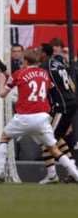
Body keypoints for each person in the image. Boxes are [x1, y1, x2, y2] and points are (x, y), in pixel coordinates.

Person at [0, 49, 78, 183]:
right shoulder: (45, 74)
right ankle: (74, 173)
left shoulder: (19, 73)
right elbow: (48, 89)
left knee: (4, 138)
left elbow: (2, 94)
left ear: (25, 61)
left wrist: (0, 81)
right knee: (54, 149)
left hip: (23, 117)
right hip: (42, 117)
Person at [38, 44, 77, 184]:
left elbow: (44, 88)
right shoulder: (59, 63)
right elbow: (72, 85)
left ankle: (52, 175)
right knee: (58, 138)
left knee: (45, 138)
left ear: (43, 53)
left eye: (39, 51)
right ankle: (72, 170)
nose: (37, 53)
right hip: (71, 101)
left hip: (62, 105)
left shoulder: (44, 67)